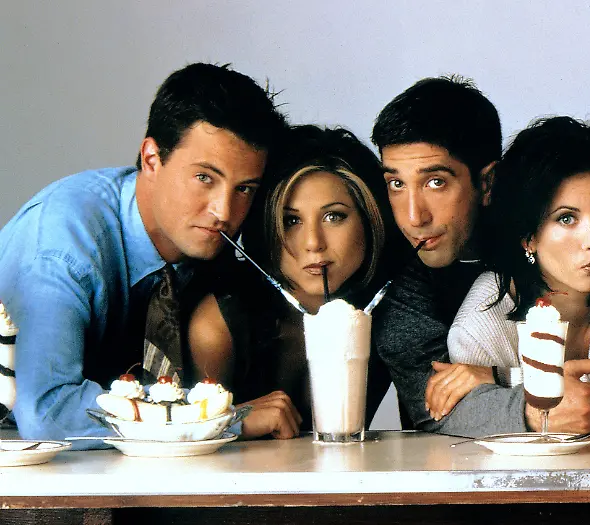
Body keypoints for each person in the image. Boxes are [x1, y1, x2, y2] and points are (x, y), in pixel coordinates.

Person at [0, 63, 288, 447]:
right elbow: (45, 413)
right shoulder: (63, 245)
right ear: (151, 159)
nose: (223, 211)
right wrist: (220, 421)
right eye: (204, 178)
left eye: (244, 188)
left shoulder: (205, 239)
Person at [440, 116, 590, 436]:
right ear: (528, 237)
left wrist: (503, 377)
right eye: (567, 218)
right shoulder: (485, 317)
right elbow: (475, 426)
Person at [188, 125, 399, 439]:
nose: (313, 242)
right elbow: (189, 440)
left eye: (334, 216)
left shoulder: (393, 307)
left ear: (371, 219)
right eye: (291, 220)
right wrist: (231, 422)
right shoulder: (219, 324)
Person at [369, 76, 503, 433]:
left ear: (487, 183)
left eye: (435, 182)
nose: (414, 217)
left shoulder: (548, 242)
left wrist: (500, 376)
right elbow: (441, 411)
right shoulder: (397, 283)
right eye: (397, 184)